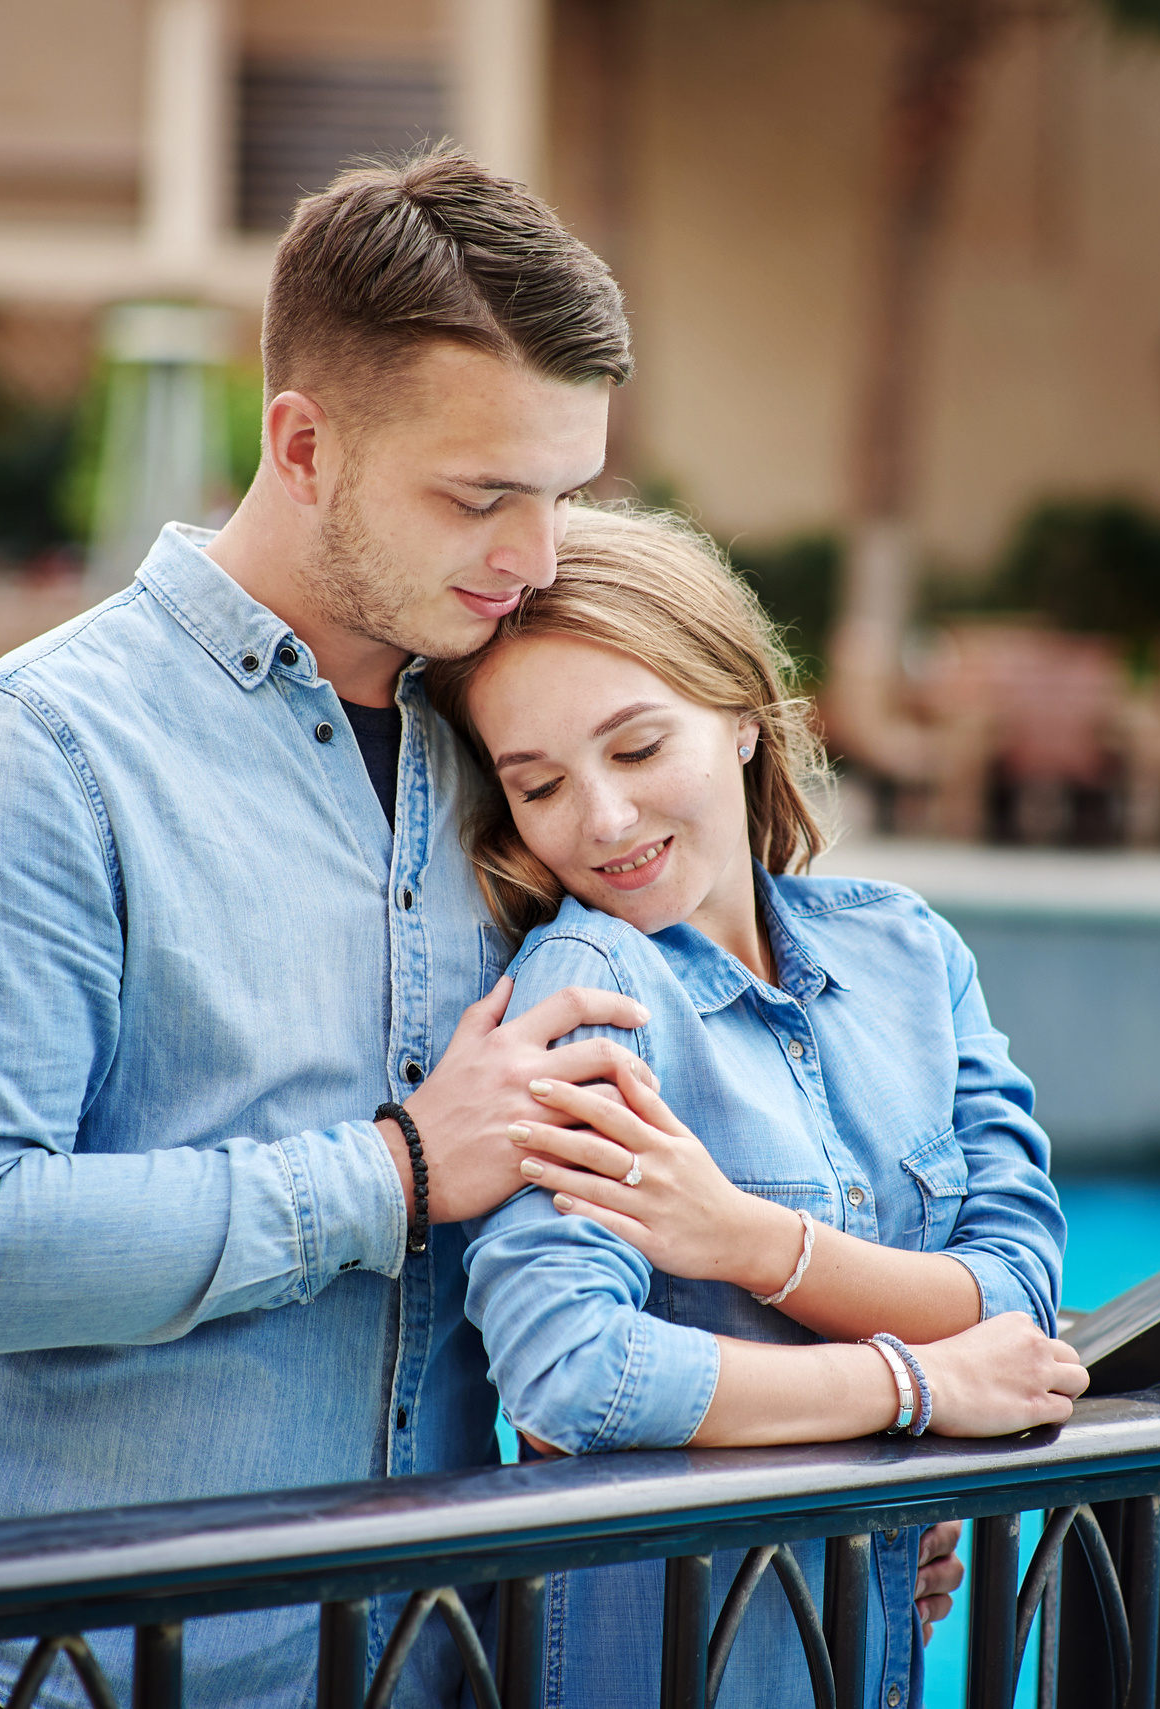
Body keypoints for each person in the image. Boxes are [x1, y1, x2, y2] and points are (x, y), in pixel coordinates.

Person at [0, 150, 660, 1709]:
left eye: (563, 496)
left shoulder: (513, 741)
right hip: (48, 1675)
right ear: (301, 445)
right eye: (482, 496)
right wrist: (393, 1173)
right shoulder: (30, 760)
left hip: (419, 1665)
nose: (536, 560)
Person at [428, 507, 1090, 1709]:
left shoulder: (905, 951)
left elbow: (1018, 1295)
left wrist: (747, 1243)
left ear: (740, 712)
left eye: (636, 748)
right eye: (540, 785)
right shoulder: (590, 991)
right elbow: (568, 1371)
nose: (604, 821)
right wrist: (916, 1392)